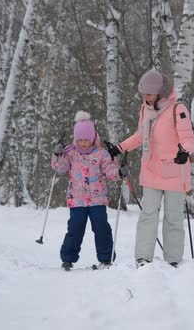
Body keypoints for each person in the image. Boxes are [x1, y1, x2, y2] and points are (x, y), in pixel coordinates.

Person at [107, 70, 194, 268]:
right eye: (143, 94)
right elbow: (140, 136)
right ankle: (143, 258)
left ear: (160, 92)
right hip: (151, 170)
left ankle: (173, 259)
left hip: (175, 171)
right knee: (148, 215)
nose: (145, 97)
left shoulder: (177, 109)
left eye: (148, 94)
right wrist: (119, 148)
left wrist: (185, 152)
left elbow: (188, 138)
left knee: (173, 217)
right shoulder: (145, 109)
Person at [52, 111, 129, 271]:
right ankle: (67, 259)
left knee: (101, 228)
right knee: (75, 228)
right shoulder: (70, 153)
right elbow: (60, 168)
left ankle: (106, 259)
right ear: (76, 139)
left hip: (97, 200)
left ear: (93, 138)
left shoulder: (101, 154)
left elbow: (109, 170)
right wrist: (57, 155)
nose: (83, 143)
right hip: (77, 200)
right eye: (80, 140)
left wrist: (119, 172)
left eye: (86, 139)